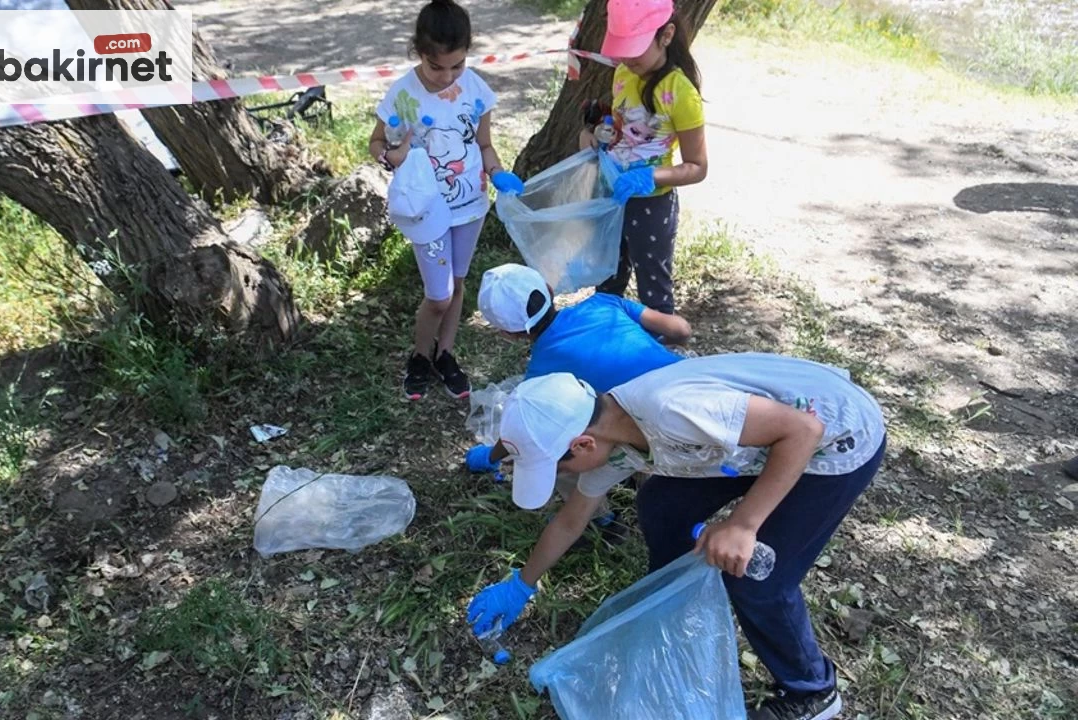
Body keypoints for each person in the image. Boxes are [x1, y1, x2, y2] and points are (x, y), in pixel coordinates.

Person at [467, 353, 887, 720]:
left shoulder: (673, 411)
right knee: (661, 505)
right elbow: (571, 520)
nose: (562, 476)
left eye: (557, 467)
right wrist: (521, 585)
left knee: (757, 579)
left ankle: (812, 691)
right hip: (757, 443)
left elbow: (803, 431)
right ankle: (671, 603)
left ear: (581, 444)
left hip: (833, 442)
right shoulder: (612, 433)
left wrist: (743, 525)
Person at [465, 263, 691, 539]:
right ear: (548, 290)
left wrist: (491, 456)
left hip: (653, 433)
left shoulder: (542, 374)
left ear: (507, 334)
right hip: (690, 396)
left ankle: (600, 519)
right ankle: (642, 476)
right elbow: (681, 331)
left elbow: (526, 432)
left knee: (553, 444)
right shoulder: (603, 303)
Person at [368, 0, 523, 401]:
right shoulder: (404, 93)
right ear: (419, 52)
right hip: (427, 211)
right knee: (437, 295)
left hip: (470, 205)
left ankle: (446, 354)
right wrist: (391, 156)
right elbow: (377, 142)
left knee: (456, 284)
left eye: (458, 65)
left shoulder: (476, 89)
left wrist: (498, 172)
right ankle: (419, 355)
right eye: (438, 67)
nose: (448, 76)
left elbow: (485, 145)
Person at [583, 0, 708, 315]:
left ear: (666, 35)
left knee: (653, 285)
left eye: (635, 47)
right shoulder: (624, 72)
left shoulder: (681, 94)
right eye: (622, 47)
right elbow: (621, 120)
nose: (626, 57)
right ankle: (607, 336)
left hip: (652, 204)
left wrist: (651, 176)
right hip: (613, 194)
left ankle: (661, 351)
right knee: (608, 276)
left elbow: (698, 167)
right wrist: (600, 132)